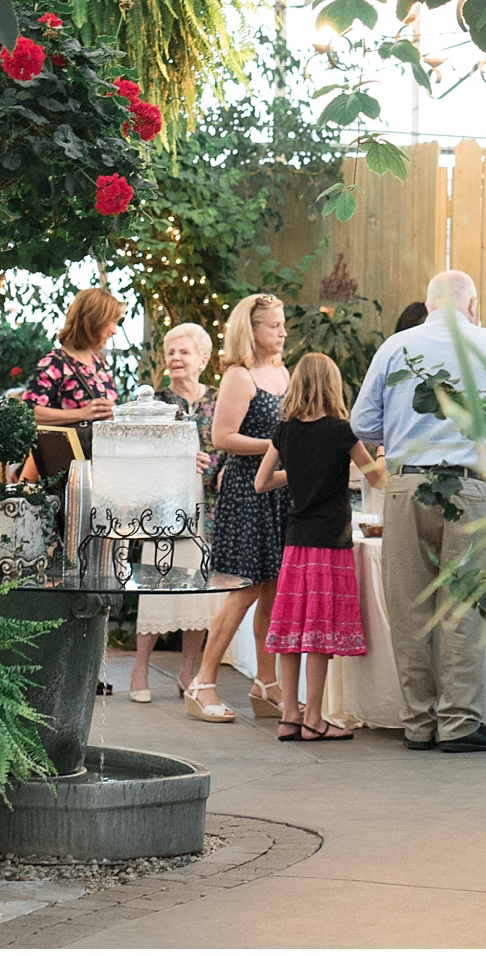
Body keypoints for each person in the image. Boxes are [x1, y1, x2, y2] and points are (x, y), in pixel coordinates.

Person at [350, 269, 486, 753]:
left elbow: (362, 424)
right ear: (471, 305)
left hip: (405, 487)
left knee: (409, 607)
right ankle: (460, 723)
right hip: (471, 488)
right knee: (462, 607)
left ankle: (418, 724)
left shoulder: (394, 348)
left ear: (428, 306)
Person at [256, 351, 381, 742]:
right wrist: (384, 454)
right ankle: (314, 717)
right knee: (319, 635)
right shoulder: (342, 432)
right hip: (331, 542)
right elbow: (375, 479)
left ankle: (289, 716)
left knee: (293, 630)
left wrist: (301, 472)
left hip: (295, 544)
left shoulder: (285, 431)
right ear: (332, 385)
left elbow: (262, 482)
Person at [189, 293, 291, 724]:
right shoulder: (239, 375)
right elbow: (222, 437)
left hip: (280, 490)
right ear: (250, 331)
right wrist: (280, 446)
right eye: (274, 326)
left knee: (272, 588)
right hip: (248, 491)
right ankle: (203, 682)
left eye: (284, 325)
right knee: (245, 588)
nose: (283, 333)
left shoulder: (283, 372)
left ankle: (265, 684)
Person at [129, 321, 219, 706]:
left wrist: (209, 463)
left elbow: (227, 448)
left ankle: (187, 672)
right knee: (156, 582)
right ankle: (140, 668)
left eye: (184, 352)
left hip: (207, 509)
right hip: (165, 509)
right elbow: (138, 453)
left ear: (203, 358)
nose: (176, 358)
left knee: (197, 587)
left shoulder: (218, 398)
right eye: (171, 352)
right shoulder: (155, 402)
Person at [22, 288, 124, 475]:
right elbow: (28, 412)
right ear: (95, 320)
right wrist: (82, 414)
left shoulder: (98, 362)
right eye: (113, 322)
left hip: (100, 467)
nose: (114, 331)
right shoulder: (55, 363)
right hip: (67, 473)